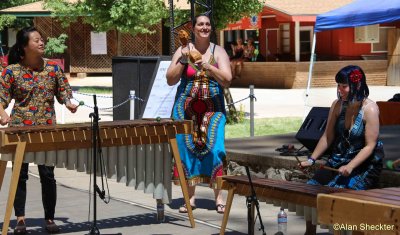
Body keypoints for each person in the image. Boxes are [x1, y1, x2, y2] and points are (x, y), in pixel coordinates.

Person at [0, 26, 78, 234]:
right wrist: (2, 113)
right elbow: (0, 98)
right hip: (20, 130)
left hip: (47, 129)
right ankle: (20, 219)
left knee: (48, 175)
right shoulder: (12, 71)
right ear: (24, 47)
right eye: (36, 40)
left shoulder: (53, 69)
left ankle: (50, 218)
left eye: (42, 39)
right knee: (20, 174)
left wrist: (70, 103)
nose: (42, 42)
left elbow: (65, 93)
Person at [299, 65, 384, 235]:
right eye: (338, 85)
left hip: (365, 163)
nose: (340, 90)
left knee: (343, 199)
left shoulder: (370, 109)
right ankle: (309, 233)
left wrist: (351, 166)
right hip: (340, 158)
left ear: (357, 85)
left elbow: (370, 145)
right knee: (309, 192)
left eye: (343, 86)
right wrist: (312, 159)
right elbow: (327, 137)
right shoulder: (337, 105)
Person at [166, 14, 232, 214]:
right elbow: (170, 79)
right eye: (200, 24)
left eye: (207, 24)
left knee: (216, 149)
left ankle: (219, 197)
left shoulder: (218, 51)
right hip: (185, 107)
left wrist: (210, 67)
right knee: (185, 149)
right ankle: (190, 197)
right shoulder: (182, 49)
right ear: (193, 28)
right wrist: (183, 61)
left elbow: (227, 79)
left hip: (213, 108)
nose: (204, 27)